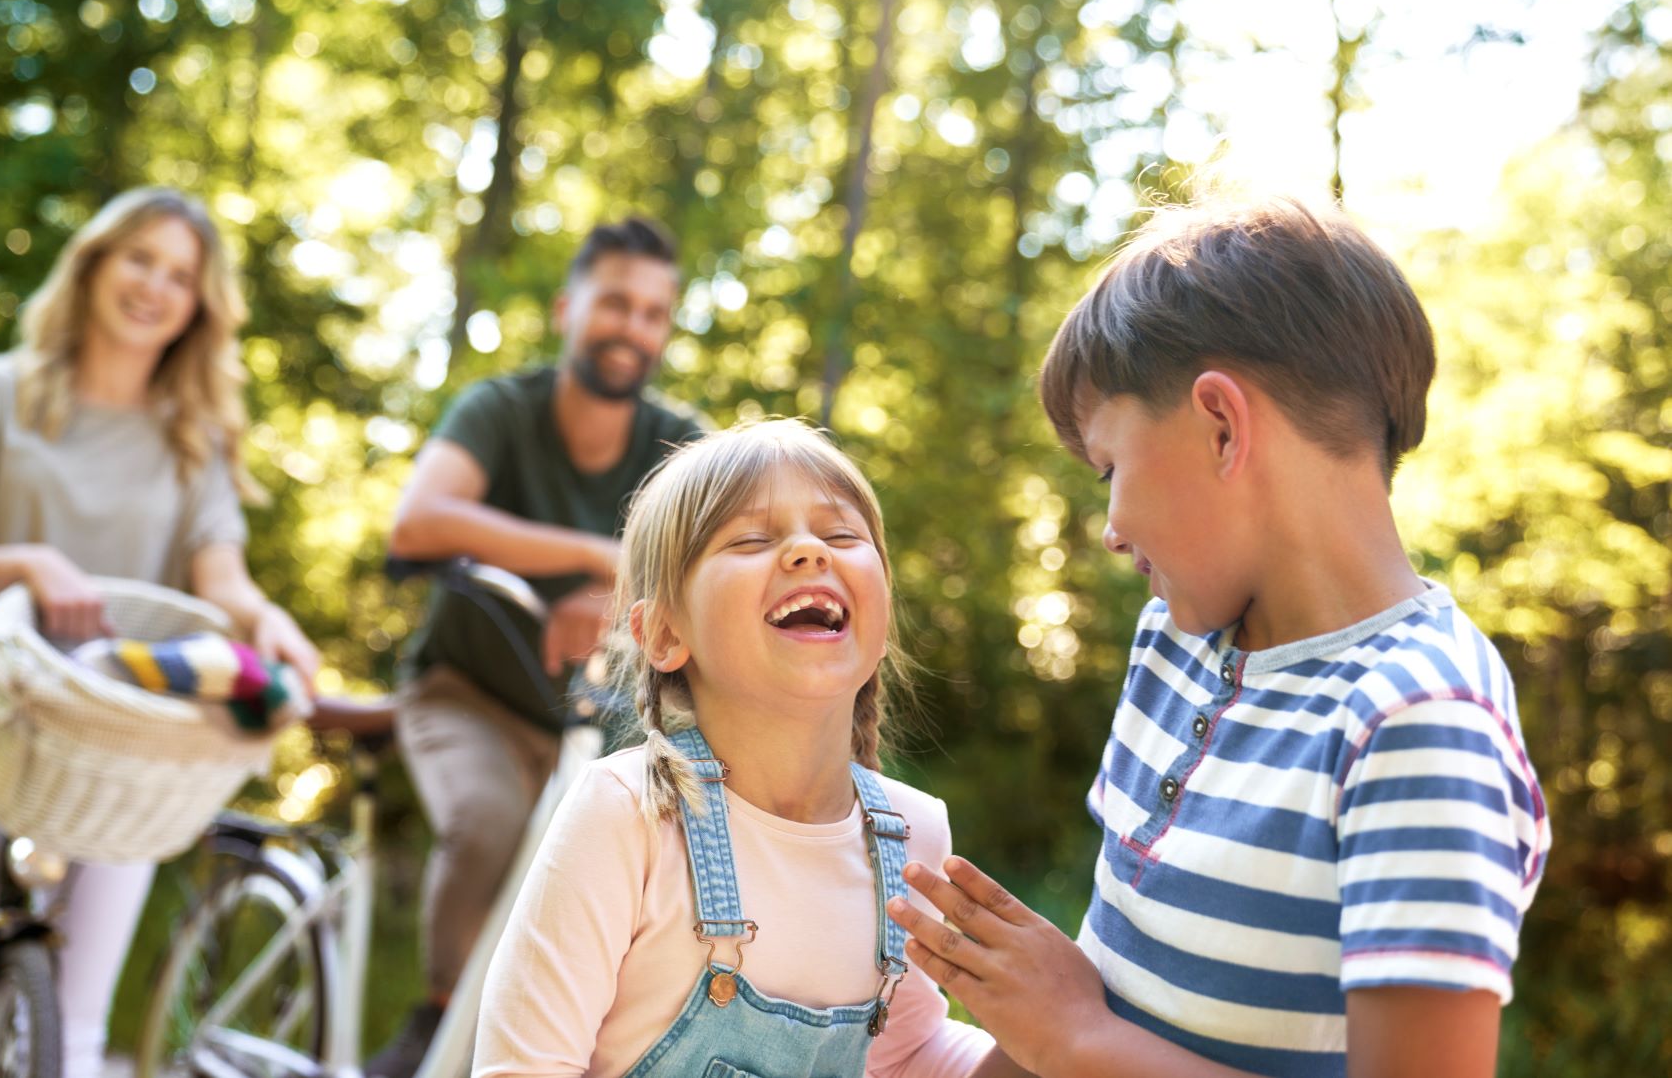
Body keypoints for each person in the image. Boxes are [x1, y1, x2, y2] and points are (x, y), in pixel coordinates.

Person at [885, 198, 1552, 1078]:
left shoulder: (1418, 722)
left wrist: (1080, 1039)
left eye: (1110, 469)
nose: (1111, 530)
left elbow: (1082, 1031)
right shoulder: (1175, 642)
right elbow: (1107, 977)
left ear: (1222, 427)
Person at [472, 419, 1013, 1078]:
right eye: (752, 538)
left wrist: (1043, 1037)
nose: (810, 551)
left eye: (841, 534)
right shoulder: (628, 818)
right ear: (666, 633)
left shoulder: (911, 836)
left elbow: (910, 1057)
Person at [0, 187, 321, 1078]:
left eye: (180, 276)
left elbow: (221, 580)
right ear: (95, 264)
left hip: (118, 745)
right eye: (139, 259)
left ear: (199, 306)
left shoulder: (193, 440)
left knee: (75, 1018)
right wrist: (28, 564)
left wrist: (272, 627)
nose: (155, 286)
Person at [376, 216, 708, 1078]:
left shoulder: (678, 446)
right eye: (614, 304)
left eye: (652, 313)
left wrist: (612, 604)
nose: (632, 328)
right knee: (487, 824)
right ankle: (437, 1015)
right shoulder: (501, 409)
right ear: (568, 308)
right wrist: (595, 557)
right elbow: (421, 519)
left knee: (626, 885)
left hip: (596, 722)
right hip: (468, 693)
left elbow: (706, 576)